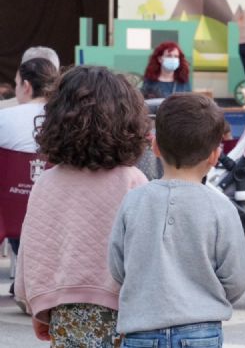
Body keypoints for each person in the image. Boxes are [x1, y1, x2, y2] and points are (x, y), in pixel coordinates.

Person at [14, 66, 149, 346]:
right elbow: (146, 254)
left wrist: (39, 306)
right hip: (124, 311)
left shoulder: (47, 182)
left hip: (66, 311)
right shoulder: (133, 181)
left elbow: (35, 246)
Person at [108, 93, 245, 347]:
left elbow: (118, 268)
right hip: (201, 329)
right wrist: (209, 294)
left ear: (155, 147)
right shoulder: (221, 207)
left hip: (142, 328)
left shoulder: (133, 201)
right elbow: (236, 277)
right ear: (214, 156)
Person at [0, 57, 58, 296]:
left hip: (9, 213)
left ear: (26, 85)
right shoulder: (66, 121)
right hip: (54, 211)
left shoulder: (4, 118)